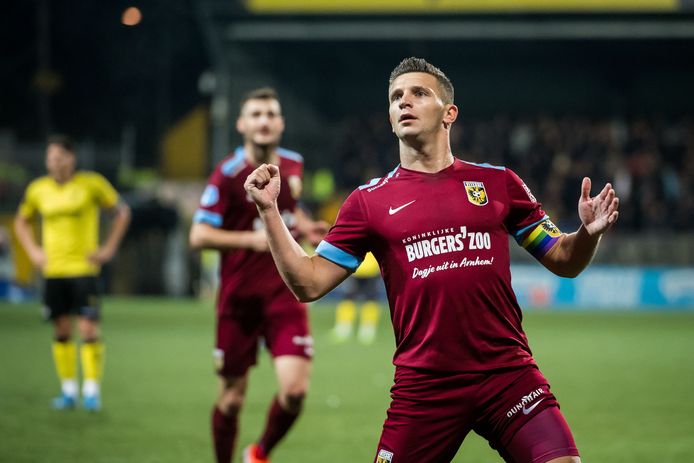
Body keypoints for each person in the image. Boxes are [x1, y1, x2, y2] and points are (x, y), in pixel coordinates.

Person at [244, 58, 620, 463]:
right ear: (391, 118)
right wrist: (269, 210)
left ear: (449, 113)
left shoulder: (498, 183)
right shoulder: (367, 202)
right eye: (396, 97)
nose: (404, 102)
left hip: (507, 375)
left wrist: (587, 234)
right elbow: (308, 282)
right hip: (425, 387)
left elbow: (564, 259)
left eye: (419, 93)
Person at [189, 87, 327, 463]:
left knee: (295, 392)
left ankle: (259, 453)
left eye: (270, 114)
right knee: (232, 400)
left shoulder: (293, 164)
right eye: (256, 114)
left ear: (281, 123)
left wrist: (305, 227)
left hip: (286, 294)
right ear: (241, 124)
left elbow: (290, 212)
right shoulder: (227, 174)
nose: (264, 121)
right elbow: (198, 235)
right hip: (239, 300)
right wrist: (250, 240)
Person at [14, 135, 131, 412]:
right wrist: (33, 251)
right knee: (61, 328)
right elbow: (21, 221)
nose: (55, 163)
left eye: (60, 157)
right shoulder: (38, 189)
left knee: (88, 327)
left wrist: (108, 249)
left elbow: (122, 212)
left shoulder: (91, 184)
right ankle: (68, 391)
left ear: (71, 158)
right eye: (50, 158)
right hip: (53, 270)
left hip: (83, 269)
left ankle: (91, 391)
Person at [331, 251, 382, 345]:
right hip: (356, 267)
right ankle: (345, 327)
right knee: (349, 299)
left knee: (369, 299)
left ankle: (367, 328)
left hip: (366, 268)